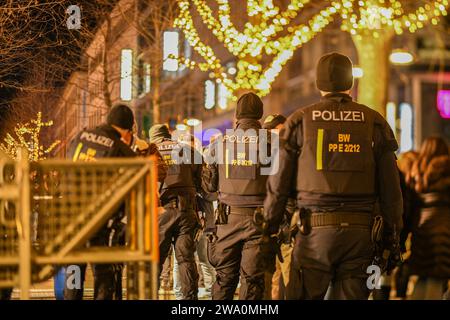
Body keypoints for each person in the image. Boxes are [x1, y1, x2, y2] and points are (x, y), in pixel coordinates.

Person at [264, 52, 403, 300]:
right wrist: (392, 236)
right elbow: (391, 188)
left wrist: (269, 226)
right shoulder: (374, 121)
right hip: (361, 236)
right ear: (350, 82)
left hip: (312, 235)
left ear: (318, 83)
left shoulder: (300, 120)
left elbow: (279, 182)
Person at [202, 92, 272, 300]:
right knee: (252, 282)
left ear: (237, 115)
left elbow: (209, 186)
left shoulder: (220, 143)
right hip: (259, 221)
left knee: (224, 279)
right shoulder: (271, 143)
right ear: (260, 114)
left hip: (227, 221)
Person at [64, 104, 136, 300]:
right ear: (127, 130)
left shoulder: (80, 137)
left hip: (71, 216)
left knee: (74, 269)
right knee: (104, 273)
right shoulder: (122, 150)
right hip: (101, 221)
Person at [149, 124, 202, 300]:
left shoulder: (150, 152)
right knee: (186, 259)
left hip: (160, 213)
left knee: (155, 261)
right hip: (186, 210)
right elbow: (206, 182)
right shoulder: (188, 150)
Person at [405, 137, 450, 300]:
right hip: (445, 229)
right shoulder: (447, 167)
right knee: (437, 278)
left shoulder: (416, 170)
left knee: (421, 276)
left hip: (421, 229)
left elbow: (409, 204)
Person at [262, 114, 298, 300]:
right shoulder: (290, 150)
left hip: (274, 223)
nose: (272, 133)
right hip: (282, 223)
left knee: (277, 275)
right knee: (284, 275)